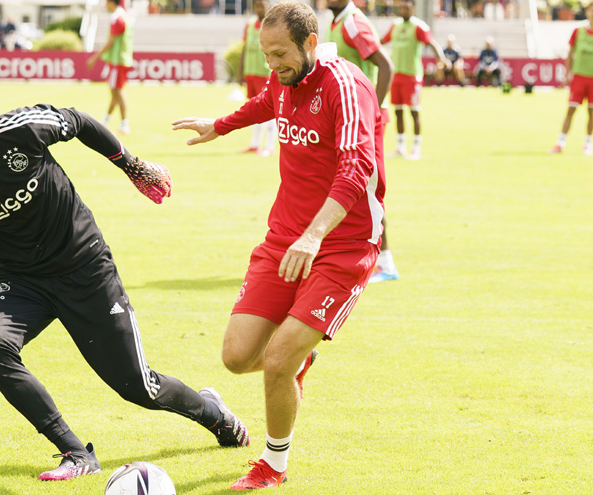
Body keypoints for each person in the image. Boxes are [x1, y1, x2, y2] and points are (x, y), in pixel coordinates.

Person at [0, 78, 250, 483]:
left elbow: (78, 122)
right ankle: (75, 453)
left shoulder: (20, 129)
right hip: (22, 281)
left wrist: (132, 165)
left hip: (85, 265)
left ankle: (213, 413)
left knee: (137, 386)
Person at [172, 1, 385, 489]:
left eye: (280, 54)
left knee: (277, 358)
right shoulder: (282, 78)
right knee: (236, 357)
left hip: (343, 243)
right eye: (266, 54)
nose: (272, 65)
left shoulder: (344, 85)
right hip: (284, 237)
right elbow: (267, 102)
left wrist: (314, 235)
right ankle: (298, 361)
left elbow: (357, 167)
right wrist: (220, 124)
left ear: (311, 42)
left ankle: (273, 463)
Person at [324, 0, 397, 282]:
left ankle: (385, 263)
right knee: (342, 185)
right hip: (347, 120)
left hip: (363, 122)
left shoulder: (353, 22)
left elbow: (386, 66)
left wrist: (369, 114)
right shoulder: (335, 22)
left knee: (366, 188)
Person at [380, 0, 449, 160]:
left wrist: (441, 59)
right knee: (398, 111)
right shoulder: (395, 25)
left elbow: (432, 43)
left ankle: (416, 148)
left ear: (413, 9)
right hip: (395, 75)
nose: (403, 11)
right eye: (401, 8)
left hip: (412, 76)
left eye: (406, 8)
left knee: (414, 112)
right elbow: (382, 42)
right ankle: (400, 147)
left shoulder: (419, 26)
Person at [550, 0, 593, 156]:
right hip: (579, 76)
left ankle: (588, 144)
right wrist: (567, 74)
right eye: (592, 10)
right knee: (571, 109)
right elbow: (570, 53)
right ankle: (560, 143)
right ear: (587, 12)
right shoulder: (578, 31)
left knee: (592, 111)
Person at [87, 0, 133, 134]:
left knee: (118, 90)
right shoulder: (123, 16)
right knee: (115, 90)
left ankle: (124, 124)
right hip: (121, 58)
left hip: (117, 59)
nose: (104, 4)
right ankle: (106, 120)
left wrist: (94, 57)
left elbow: (111, 41)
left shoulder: (117, 18)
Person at [238, 0, 277, 157]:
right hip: (251, 72)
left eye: (262, 5)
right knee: (253, 109)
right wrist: (241, 71)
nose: (259, 8)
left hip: (265, 73)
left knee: (269, 110)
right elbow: (245, 47)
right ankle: (254, 144)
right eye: (257, 5)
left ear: (268, 6)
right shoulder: (249, 24)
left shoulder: (272, 25)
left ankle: (269, 145)